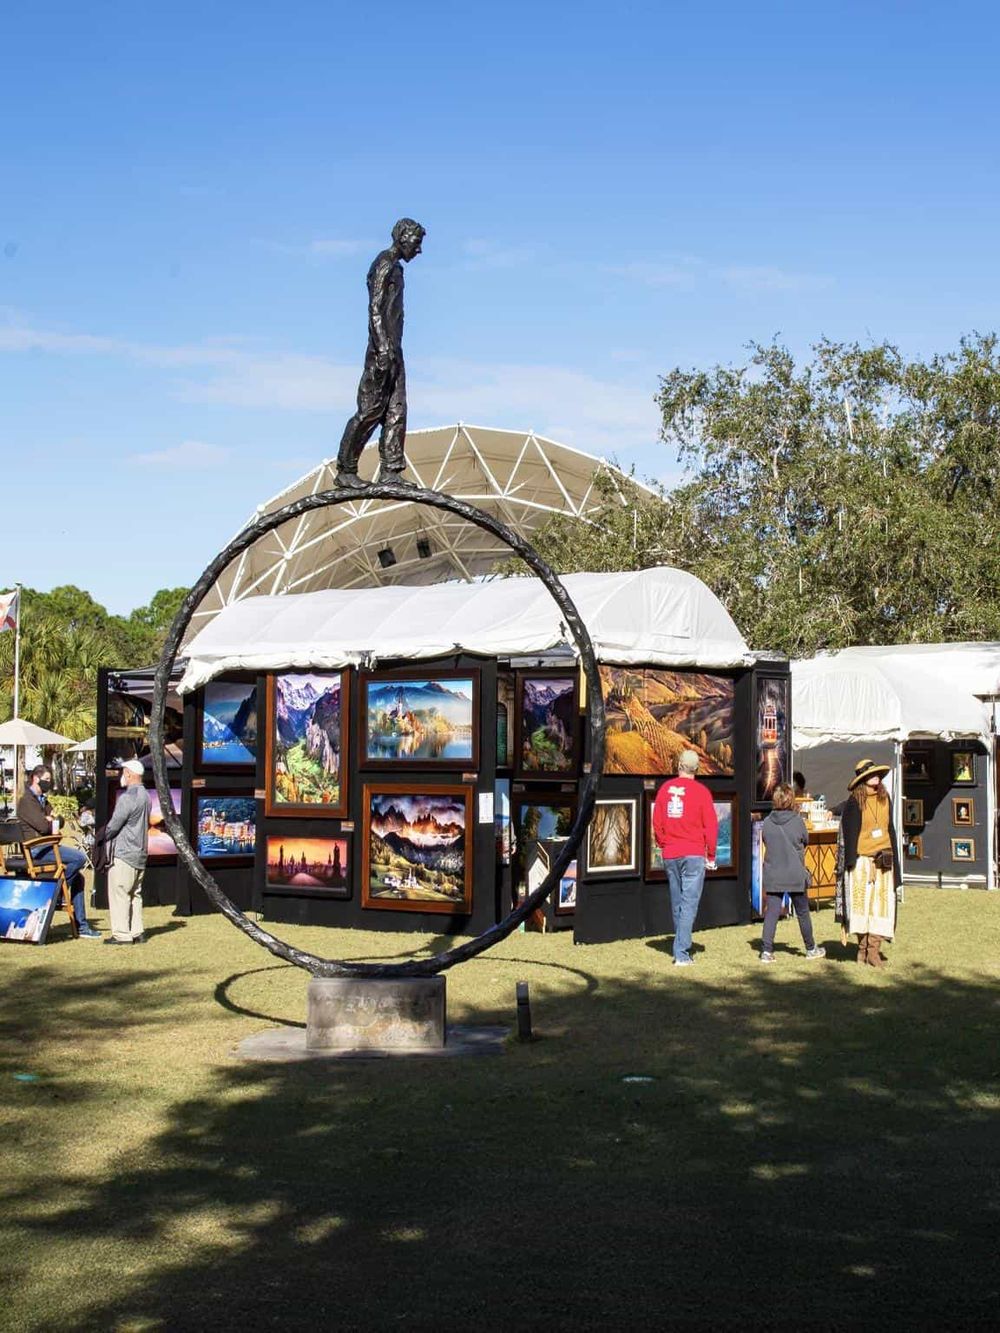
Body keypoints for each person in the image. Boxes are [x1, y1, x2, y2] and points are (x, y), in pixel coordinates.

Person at [335, 218, 426, 488]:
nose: (418, 249)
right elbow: (374, 309)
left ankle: (391, 470)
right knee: (371, 410)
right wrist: (383, 346)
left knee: (396, 409)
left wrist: (393, 349)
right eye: (416, 242)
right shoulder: (384, 264)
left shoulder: (397, 267)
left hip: (395, 350)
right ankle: (346, 469)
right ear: (402, 237)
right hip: (381, 350)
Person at [17, 764, 101, 939]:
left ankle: (82, 927)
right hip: (36, 849)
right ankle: (58, 893)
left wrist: (52, 820)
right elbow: (42, 826)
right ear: (36, 778)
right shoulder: (27, 801)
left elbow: (59, 820)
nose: (49, 782)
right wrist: (50, 821)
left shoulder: (43, 800)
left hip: (48, 845)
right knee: (79, 858)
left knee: (79, 878)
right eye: (46, 779)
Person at [652, 749, 718, 967]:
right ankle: (681, 952)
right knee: (689, 903)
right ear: (696, 769)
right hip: (693, 854)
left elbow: (657, 822)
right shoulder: (702, 792)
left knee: (678, 902)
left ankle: (680, 944)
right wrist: (711, 855)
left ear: (678, 765)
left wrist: (664, 843)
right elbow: (711, 826)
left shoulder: (664, 790)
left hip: (671, 853)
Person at [837, 757, 901, 967]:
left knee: (881, 906)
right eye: (871, 775)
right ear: (863, 779)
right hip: (862, 861)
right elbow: (848, 833)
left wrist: (895, 862)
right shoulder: (854, 802)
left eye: (876, 774)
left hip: (884, 860)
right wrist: (850, 863)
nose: (876, 777)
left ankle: (874, 951)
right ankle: (861, 950)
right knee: (861, 906)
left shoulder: (885, 798)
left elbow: (890, 828)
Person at [759, 783, 826, 963]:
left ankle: (766, 951)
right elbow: (805, 840)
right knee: (803, 912)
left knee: (772, 912)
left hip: (774, 873)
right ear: (791, 800)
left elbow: (765, 840)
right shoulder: (797, 821)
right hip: (795, 873)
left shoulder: (767, 822)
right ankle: (811, 948)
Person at [101, 758, 154, 945]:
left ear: (130, 774)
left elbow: (114, 826)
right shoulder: (146, 796)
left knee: (120, 893)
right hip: (140, 852)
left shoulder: (127, 798)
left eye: (123, 773)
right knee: (135, 894)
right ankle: (137, 931)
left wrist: (101, 836)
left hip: (124, 853)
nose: (121, 776)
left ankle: (122, 934)